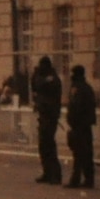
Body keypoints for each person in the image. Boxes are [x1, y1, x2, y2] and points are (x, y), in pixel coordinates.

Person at [31, 54, 63, 183]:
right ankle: (47, 172)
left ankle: (55, 174)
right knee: (43, 146)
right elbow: (35, 85)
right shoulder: (44, 77)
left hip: (50, 115)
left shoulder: (52, 78)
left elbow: (40, 85)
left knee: (49, 145)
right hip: (44, 114)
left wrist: (37, 75)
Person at [66, 63, 98, 188]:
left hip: (79, 125)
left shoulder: (77, 88)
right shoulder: (87, 87)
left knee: (79, 154)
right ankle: (89, 179)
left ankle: (76, 180)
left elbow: (76, 107)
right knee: (86, 153)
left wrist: (72, 120)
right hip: (85, 125)